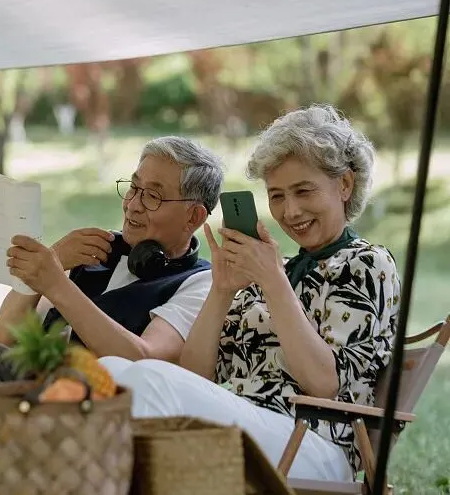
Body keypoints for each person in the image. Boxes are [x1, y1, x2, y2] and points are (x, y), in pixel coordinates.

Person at [99, 105, 401, 482]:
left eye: (303, 191)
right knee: (112, 371)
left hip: (316, 446)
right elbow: (195, 375)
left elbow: (323, 383)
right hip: (258, 429)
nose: (291, 211)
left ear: (344, 185)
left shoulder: (366, 264)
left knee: (148, 379)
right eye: (277, 196)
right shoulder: (273, 268)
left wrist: (274, 283)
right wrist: (222, 291)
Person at [0, 136, 224, 387]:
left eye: (153, 197)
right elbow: (2, 338)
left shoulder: (199, 283)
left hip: (90, 404)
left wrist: (56, 284)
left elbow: (143, 360)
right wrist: (49, 263)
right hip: (36, 382)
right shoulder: (97, 248)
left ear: (193, 217)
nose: (132, 205)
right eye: (133, 188)